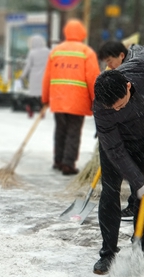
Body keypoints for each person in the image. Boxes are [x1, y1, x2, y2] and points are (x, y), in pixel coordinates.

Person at [92, 40, 144, 275]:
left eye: (120, 105)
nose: (116, 110)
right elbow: (115, 151)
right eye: (112, 108)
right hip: (116, 144)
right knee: (110, 191)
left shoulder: (141, 67)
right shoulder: (101, 108)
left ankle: (142, 248)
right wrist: (137, 181)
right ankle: (108, 253)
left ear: (128, 87)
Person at [97, 40, 144, 222]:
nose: (108, 65)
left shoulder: (139, 69)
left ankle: (142, 206)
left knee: (140, 161)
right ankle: (141, 204)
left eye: (110, 61)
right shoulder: (117, 73)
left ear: (121, 56)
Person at [41, 19, 100, 176]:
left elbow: (47, 77)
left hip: (58, 99)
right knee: (73, 131)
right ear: (82, 33)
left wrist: (45, 98)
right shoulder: (87, 52)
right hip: (78, 100)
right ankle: (68, 164)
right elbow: (93, 78)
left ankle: (58, 160)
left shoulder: (56, 51)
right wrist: (97, 99)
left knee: (60, 130)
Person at [20, 34, 50, 115]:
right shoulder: (47, 51)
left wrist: (23, 75)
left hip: (34, 75)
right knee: (42, 93)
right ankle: (41, 108)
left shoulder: (32, 52)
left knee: (33, 93)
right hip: (44, 75)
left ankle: (30, 106)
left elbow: (28, 65)